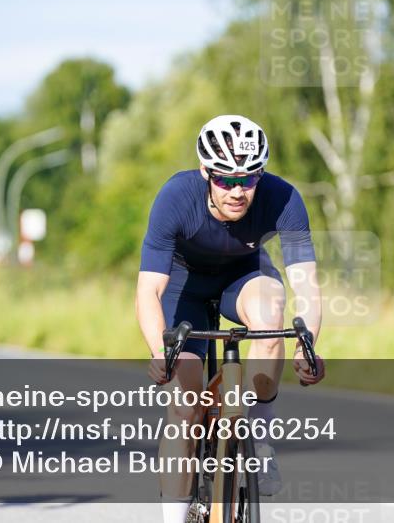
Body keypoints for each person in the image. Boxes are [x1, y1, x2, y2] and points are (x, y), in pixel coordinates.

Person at [136, 114, 326, 522]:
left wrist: (308, 343)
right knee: (185, 407)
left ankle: (259, 439)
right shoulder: (176, 197)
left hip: (244, 277)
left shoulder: (284, 198)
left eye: (249, 179)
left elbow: (306, 286)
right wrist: (160, 353)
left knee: (270, 315)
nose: (238, 191)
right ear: (205, 172)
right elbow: (148, 290)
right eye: (226, 180)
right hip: (183, 288)